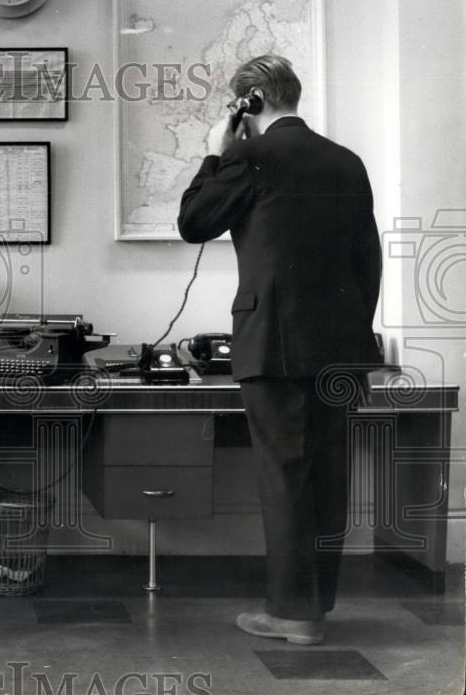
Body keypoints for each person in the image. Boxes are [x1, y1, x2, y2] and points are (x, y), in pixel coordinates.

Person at [178, 55, 382, 645]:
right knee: (326, 474)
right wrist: (354, 336)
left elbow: (193, 221)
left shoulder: (249, 155)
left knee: (285, 475)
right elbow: (366, 261)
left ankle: (294, 616)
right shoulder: (347, 161)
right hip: (341, 346)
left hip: (272, 344)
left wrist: (216, 151)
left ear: (250, 101)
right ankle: (313, 606)